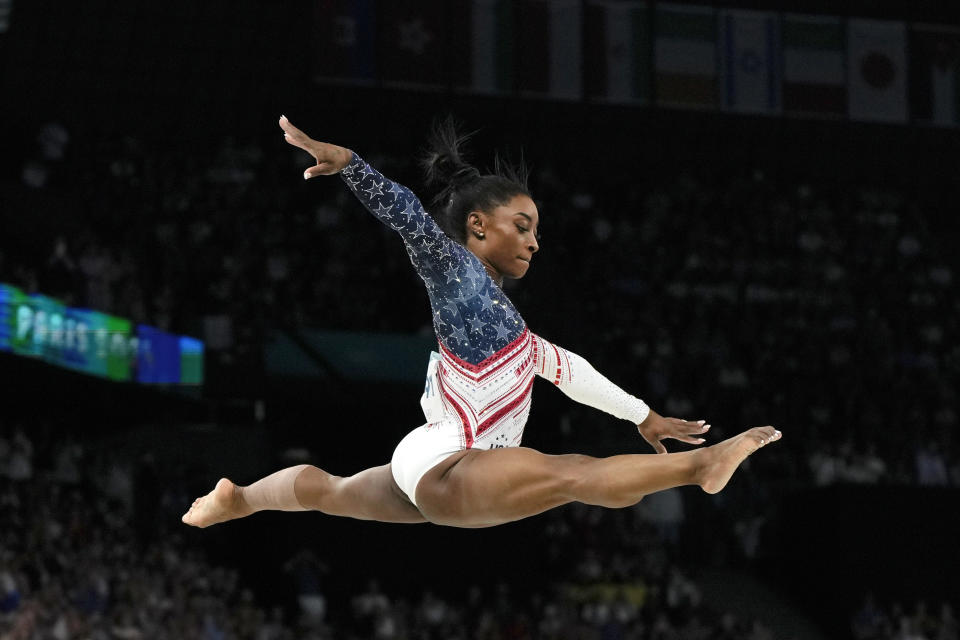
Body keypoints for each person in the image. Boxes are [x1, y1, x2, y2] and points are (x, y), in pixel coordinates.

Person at [182, 116, 781, 530]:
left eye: (537, 231)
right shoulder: (460, 277)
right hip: (451, 462)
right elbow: (414, 222)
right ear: (476, 227)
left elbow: (571, 371)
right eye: (521, 225)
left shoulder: (514, 331)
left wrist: (643, 415)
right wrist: (353, 166)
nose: (534, 242)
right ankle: (702, 467)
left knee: (330, 491)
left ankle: (240, 499)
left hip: (437, 463)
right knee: (572, 473)